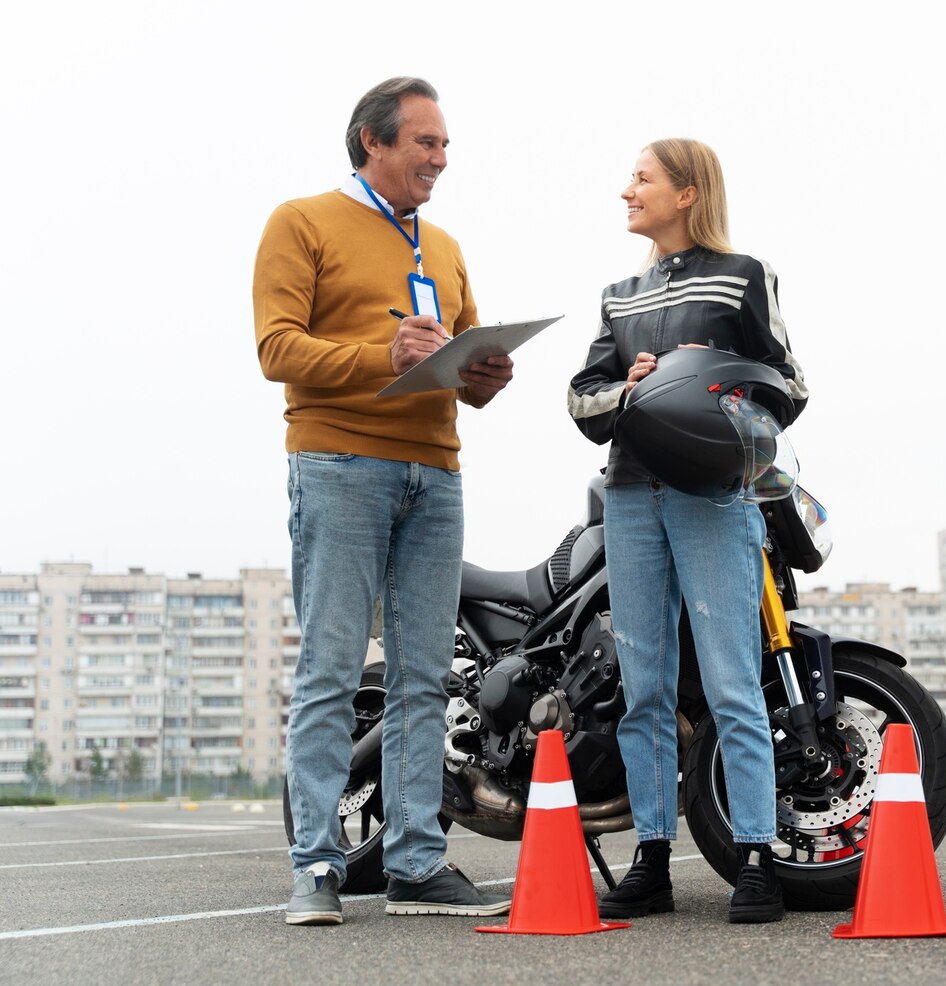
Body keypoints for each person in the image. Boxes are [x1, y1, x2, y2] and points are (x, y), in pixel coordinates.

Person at [253, 76, 515, 926]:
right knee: (331, 671)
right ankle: (317, 868)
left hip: (434, 474)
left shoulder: (442, 244)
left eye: (444, 145)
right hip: (339, 464)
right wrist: (382, 356)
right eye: (426, 143)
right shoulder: (301, 221)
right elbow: (276, 348)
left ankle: (415, 861)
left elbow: (454, 366)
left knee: (425, 680)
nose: (442, 158)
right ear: (373, 141)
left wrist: (486, 375)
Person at [567, 139, 808, 924]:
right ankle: (651, 856)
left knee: (734, 682)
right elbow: (581, 400)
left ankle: (757, 858)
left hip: (713, 499)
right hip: (631, 498)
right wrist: (628, 388)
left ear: (687, 193)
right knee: (645, 689)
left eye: (641, 178)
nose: (627, 190)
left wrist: (713, 389)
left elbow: (790, 385)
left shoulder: (744, 278)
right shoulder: (619, 294)